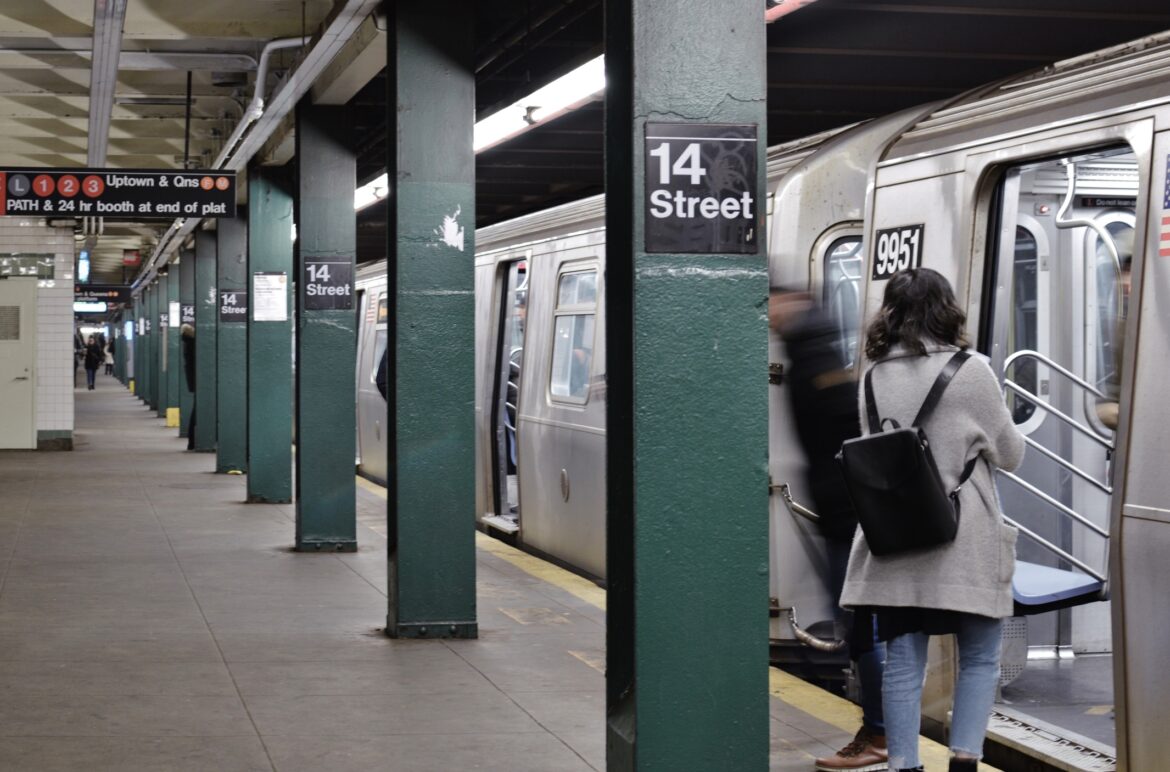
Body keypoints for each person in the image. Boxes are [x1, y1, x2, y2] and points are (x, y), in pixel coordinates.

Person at [839, 268, 1025, 772]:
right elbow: (1010, 454)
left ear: (890, 313)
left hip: (899, 539)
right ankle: (964, 761)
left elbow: (877, 451)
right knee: (981, 658)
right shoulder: (972, 370)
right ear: (946, 308)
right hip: (964, 538)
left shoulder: (874, 376)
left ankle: (903, 765)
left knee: (904, 660)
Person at [770, 287, 887, 772]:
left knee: (862, 630)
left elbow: (847, 439)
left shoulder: (816, 357)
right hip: (846, 514)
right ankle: (880, 729)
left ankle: (880, 733)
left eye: (772, 302)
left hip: (849, 518)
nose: (768, 314)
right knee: (860, 627)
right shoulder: (811, 350)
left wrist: (845, 510)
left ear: (793, 299)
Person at [181, 323, 196, 449]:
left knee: (196, 410)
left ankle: (192, 440)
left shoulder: (187, 343)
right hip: (198, 382)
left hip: (193, 382)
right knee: (197, 411)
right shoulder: (193, 344)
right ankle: (192, 441)